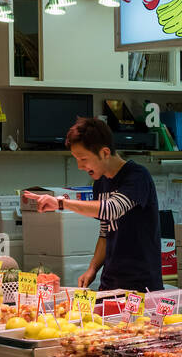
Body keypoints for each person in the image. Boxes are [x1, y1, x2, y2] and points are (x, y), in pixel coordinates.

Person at [26, 117, 161, 293]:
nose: (80, 166)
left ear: (105, 152)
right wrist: (92, 269)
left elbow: (112, 209)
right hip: (110, 282)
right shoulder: (100, 182)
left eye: (83, 158)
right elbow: (105, 231)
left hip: (141, 285)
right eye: (76, 159)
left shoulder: (137, 177)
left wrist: (61, 203)